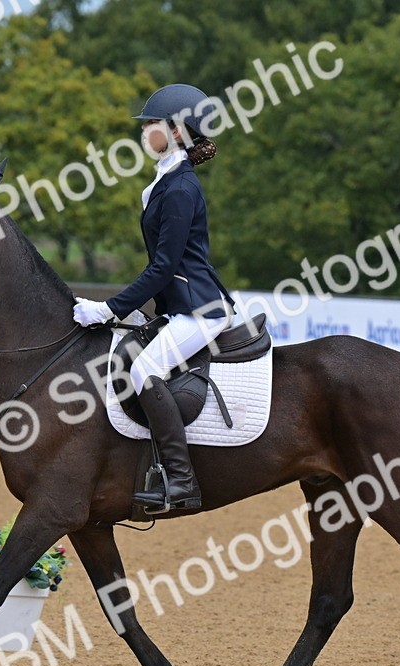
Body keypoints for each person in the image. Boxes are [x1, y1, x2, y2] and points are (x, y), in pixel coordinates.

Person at [72, 84, 236, 513]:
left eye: (152, 124)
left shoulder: (180, 188)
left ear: (178, 131)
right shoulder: (165, 181)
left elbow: (164, 267)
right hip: (180, 305)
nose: (144, 130)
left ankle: (181, 481)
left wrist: (109, 308)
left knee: (145, 369)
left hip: (201, 308)